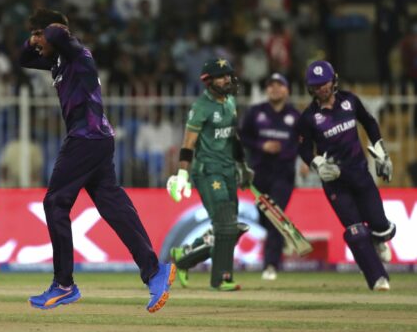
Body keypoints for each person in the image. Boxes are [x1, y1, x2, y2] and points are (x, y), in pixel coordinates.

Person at [19, 8, 175, 312]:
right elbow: (24, 59)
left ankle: (64, 285)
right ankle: (154, 271)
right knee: (114, 207)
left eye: (40, 33)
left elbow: (56, 34)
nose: (37, 40)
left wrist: (48, 28)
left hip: (86, 138)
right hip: (97, 140)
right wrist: (33, 38)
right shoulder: (59, 61)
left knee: (55, 203)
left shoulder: (76, 51)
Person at [297, 60, 395, 291]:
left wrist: (381, 152)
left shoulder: (350, 101)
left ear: (333, 81)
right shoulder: (309, 117)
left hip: (360, 174)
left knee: (380, 225)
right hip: (335, 182)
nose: (321, 88)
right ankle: (378, 279)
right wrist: (316, 163)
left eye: (324, 83)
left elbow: (369, 123)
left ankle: (379, 236)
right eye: (316, 85)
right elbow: (303, 148)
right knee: (356, 231)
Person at [166, 58, 253, 291]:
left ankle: (183, 257)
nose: (227, 79)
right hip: (207, 172)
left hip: (227, 171)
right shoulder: (201, 108)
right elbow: (188, 144)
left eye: (228, 75)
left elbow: (234, 138)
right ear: (209, 81)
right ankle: (222, 279)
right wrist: (182, 174)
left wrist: (243, 166)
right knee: (225, 225)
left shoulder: (231, 102)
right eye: (221, 76)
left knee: (230, 228)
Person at [239, 73, 300, 280]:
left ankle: (270, 265)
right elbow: (243, 136)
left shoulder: (295, 115)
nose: (275, 89)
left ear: (287, 90)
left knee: (275, 214)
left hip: (283, 173)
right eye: (271, 86)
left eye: (279, 85)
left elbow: (301, 142)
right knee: (261, 215)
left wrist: (284, 152)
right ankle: (281, 236)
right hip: (260, 172)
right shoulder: (256, 113)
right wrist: (261, 146)